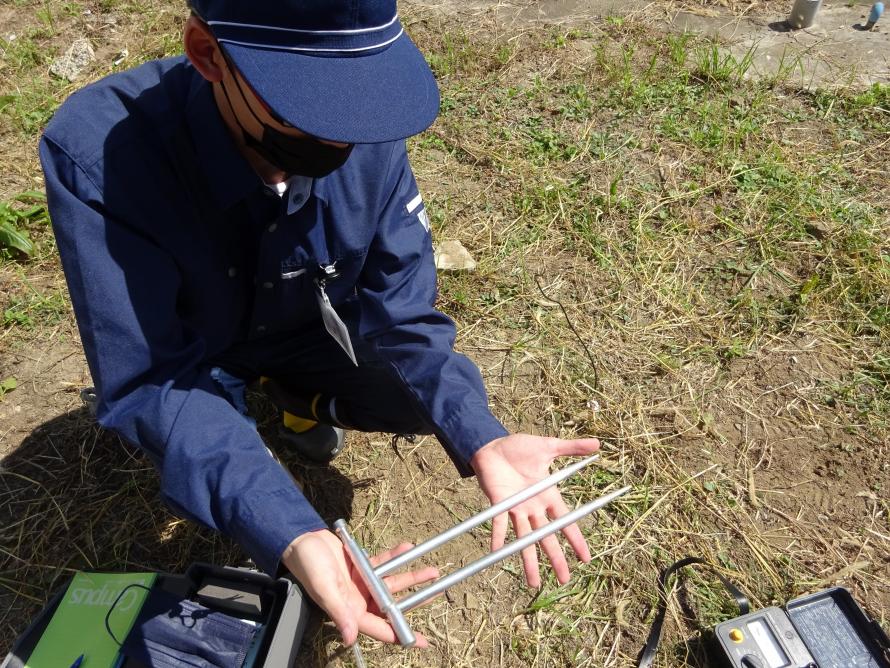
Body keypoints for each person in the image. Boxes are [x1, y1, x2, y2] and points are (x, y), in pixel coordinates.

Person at [39, 0, 601, 648]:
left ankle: (294, 398)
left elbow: (405, 312)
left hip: (304, 323)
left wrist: (480, 436)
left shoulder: (367, 127)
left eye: (355, 104)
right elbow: (153, 377)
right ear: (207, 55)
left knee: (413, 397)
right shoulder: (101, 156)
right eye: (307, 106)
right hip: (199, 346)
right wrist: (288, 530)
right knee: (200, 424)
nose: (340, 137)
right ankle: (234, 405)